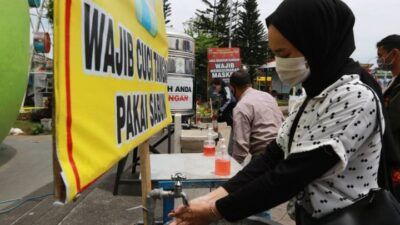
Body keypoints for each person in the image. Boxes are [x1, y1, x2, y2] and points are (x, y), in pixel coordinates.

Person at [169, 0, 395, 224]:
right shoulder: (313, 97)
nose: (279, 64)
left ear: (316, 46)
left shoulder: (355, 97)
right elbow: (271, 158)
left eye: (284, 55)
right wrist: (209, 199)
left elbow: (292, 175)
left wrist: (213, 211)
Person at [229, 69, 283, 165]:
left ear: (232, 89)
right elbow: (282, 120)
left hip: (264, 157)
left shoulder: (241, 106)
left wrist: (232, 168)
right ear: (250, 84)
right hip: (284, 151)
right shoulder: (268, 96)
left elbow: (241, 148)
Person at [377, 35, 400, 199]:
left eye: (381, 55)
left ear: (395, 54)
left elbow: (390, 121)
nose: (380, 60)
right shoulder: (395, 82)